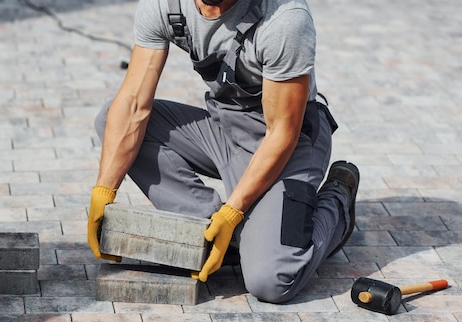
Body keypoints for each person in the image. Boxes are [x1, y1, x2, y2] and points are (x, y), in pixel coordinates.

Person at [88, 0, 359, 304]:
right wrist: (104, 189)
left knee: (272, 279)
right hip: (226, 129)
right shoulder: (165, 4)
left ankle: (337, 199)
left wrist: (233, 212)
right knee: (112, 119)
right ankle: (216, 232)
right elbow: (133, 104)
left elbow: (282, 132)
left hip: (289, 144)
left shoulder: (284, 19)